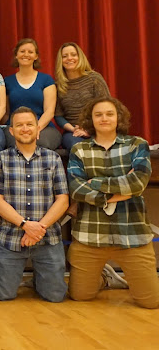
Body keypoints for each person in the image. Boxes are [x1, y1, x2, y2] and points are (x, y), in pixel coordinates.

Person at [67, 96, 159, 309]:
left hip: (132, 234)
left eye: (109, 114)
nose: (104, 118)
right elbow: (77, 189)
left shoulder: (137, 145)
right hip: (90, 236)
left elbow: (137, 183)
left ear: (119, 117)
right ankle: (104, 278)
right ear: (91, 119)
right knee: (80, 296)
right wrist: (117, 194)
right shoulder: (79, 150)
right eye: (98, 114)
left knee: (151, 302)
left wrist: (95, 182)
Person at [0, 107, 69, 302]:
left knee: (55, 297)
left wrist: (38, 229)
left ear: (38, 129)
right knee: (3, 296)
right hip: (12, 237)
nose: (25, 129)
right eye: (19, 125)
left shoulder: (53, 158)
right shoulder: (0, 159)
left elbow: (63, 200)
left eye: (29, 124)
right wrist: (25, 225)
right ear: (11, 131)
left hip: (48, 237)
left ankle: (39, 281)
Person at [4, 38, 62, 150]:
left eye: (30, 52)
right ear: (16, 55)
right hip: (16, 128)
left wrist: (36, 129)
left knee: (41, 143)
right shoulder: (7, 81)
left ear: (36, 56)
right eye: (22, 51)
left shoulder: (46, 80)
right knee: (18, 143)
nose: (26, 54)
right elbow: (5, 112)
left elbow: (49, 111)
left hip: (43, 127)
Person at [54, 42, 110, 150]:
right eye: (65, 56)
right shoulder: (58, 85)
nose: (69, 58)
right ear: (60, 61)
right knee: (78, 147)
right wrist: (74, 129)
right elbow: (58, 116)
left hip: (98, 129)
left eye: (73, 55)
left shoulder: (94, 79)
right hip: (73, 133)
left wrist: (90, 130)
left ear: (80, 57)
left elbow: (106, 107)